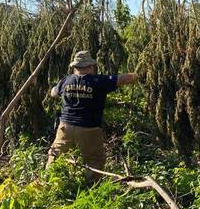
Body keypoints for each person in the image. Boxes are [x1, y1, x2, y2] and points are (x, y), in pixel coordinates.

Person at [47, 50, 137, 183]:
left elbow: (53, 93)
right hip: (88, 129)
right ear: (90, 67)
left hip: (65, 127)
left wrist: (64, 89)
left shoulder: (65, 80)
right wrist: (141, 72)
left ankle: (48, 183)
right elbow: (123, 79)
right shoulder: (98, 81)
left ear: (74, 67)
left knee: (55, 155)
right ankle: (90, 187)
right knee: (95, 161)